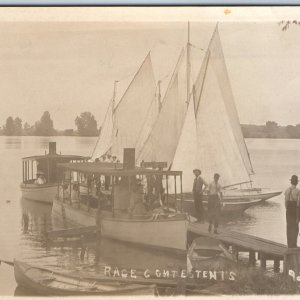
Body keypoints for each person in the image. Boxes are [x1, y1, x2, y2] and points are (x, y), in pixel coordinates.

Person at [284, 175, 300, 248]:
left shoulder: (287, 190)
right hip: (295, 210)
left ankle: (289, 244)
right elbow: (298, 205)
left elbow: (285, 203)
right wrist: (298, 216)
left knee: (289, 227)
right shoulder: (298, 191)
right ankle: (294, 244)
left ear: (291, 182)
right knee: (295, 228)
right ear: (296, 183)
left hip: (288, 211)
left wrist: (288, 210)